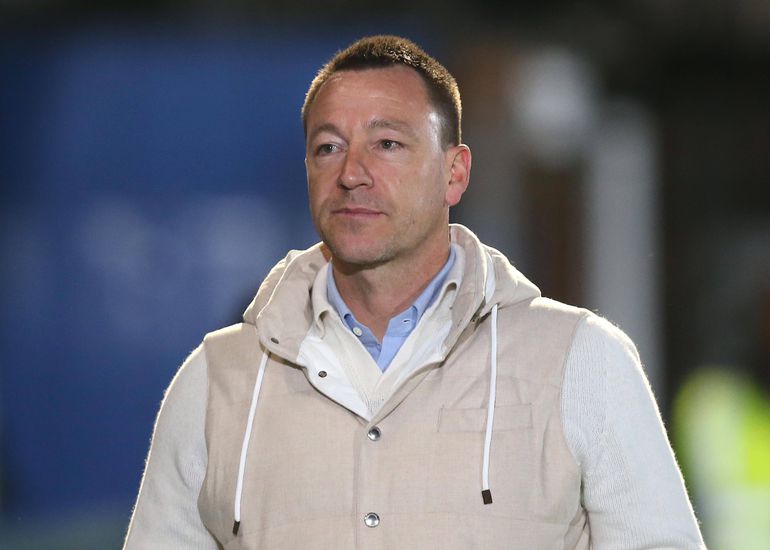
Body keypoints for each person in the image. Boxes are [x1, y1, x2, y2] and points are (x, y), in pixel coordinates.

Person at [123, 35, 705, 549]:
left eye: (387, 144)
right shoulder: (216, 382)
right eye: (328, 147)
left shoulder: (580, 361)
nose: (351, 173)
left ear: (456, 173)